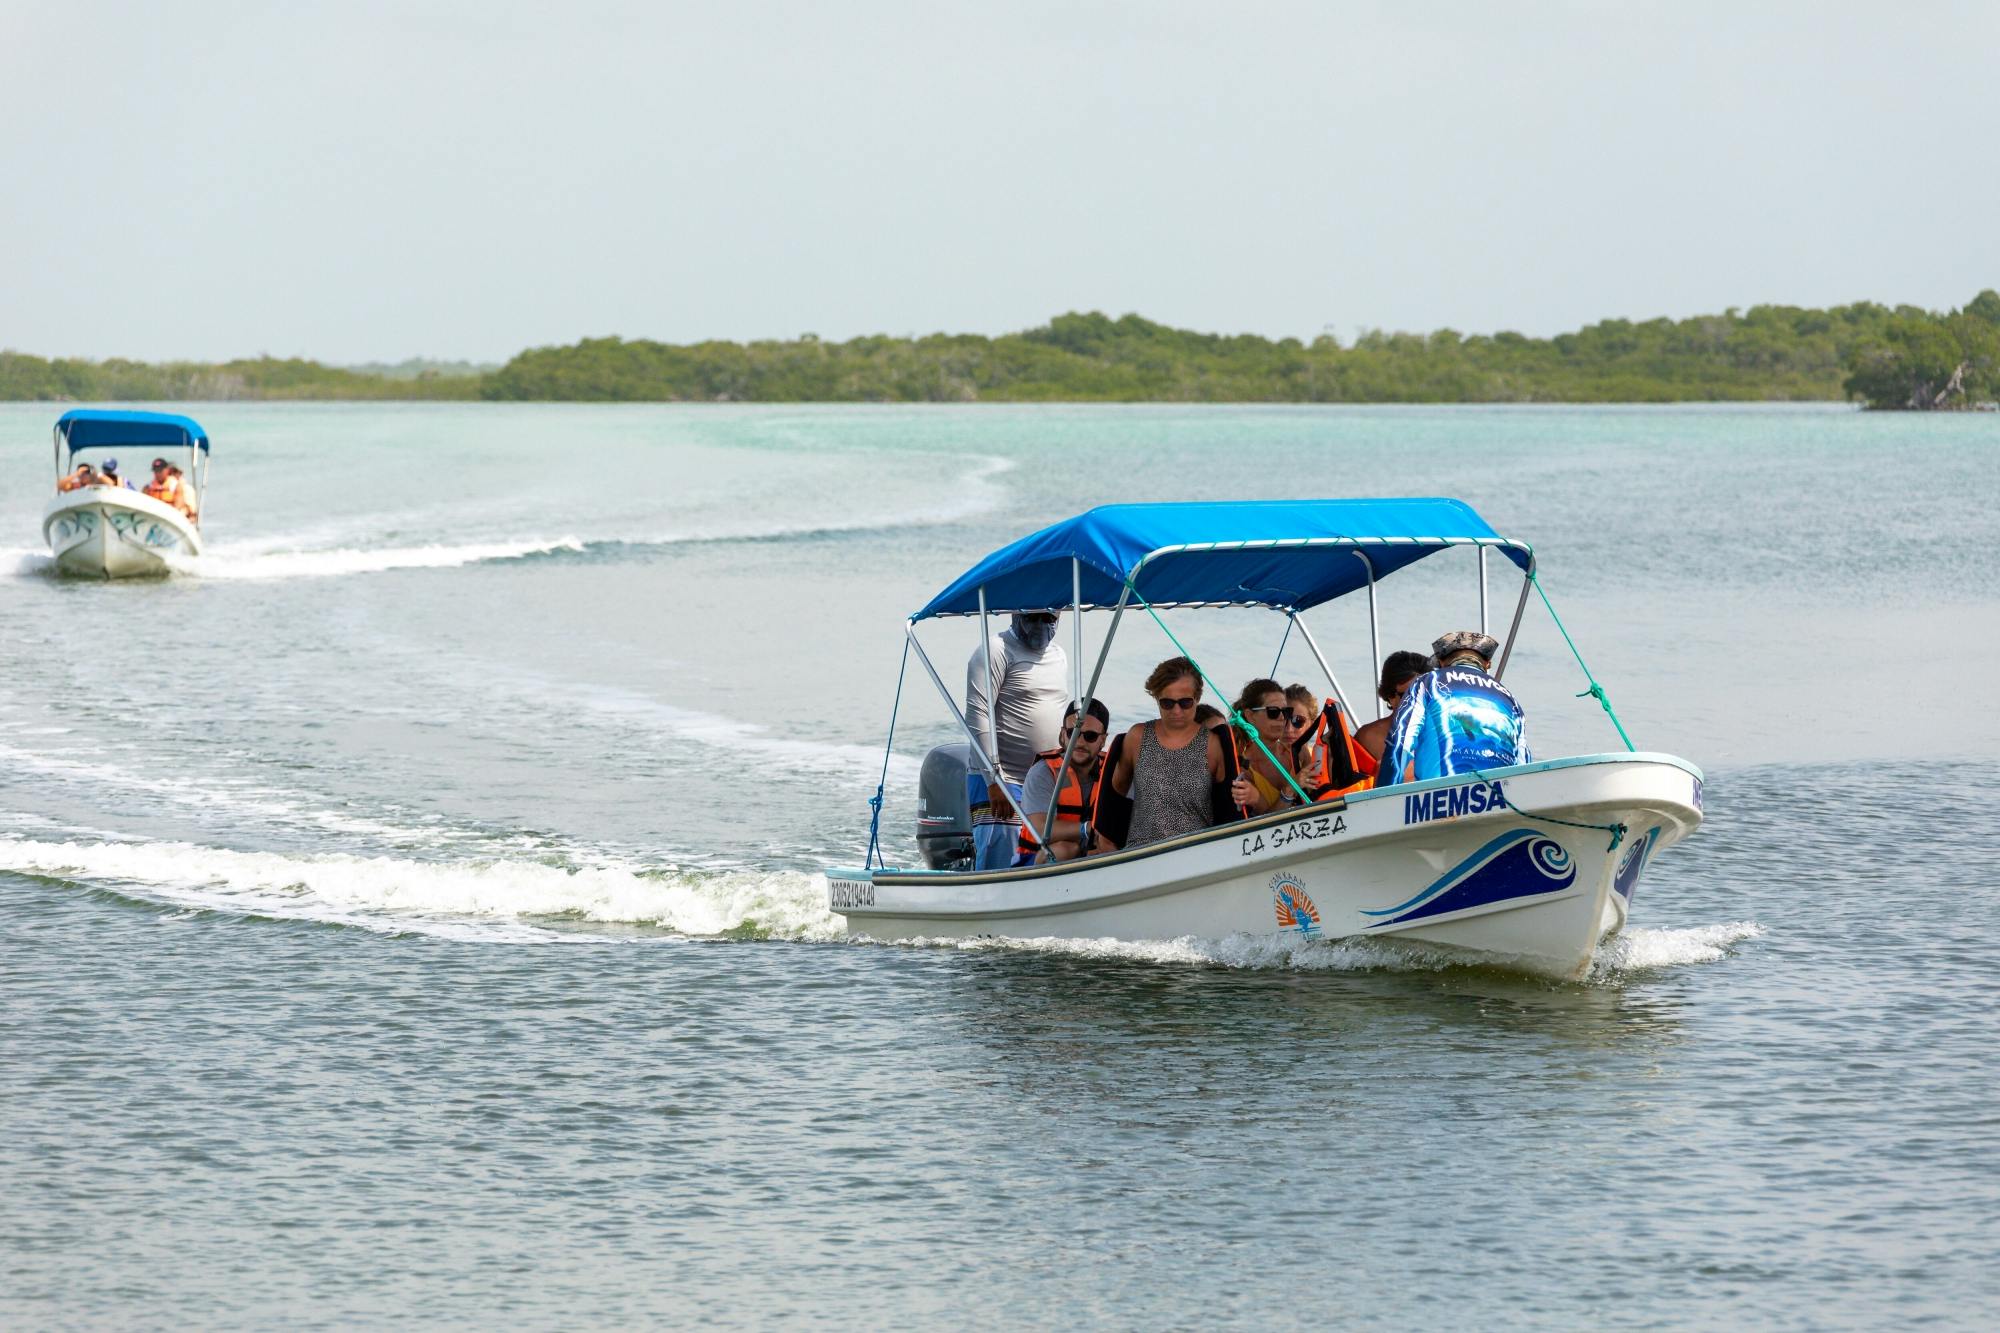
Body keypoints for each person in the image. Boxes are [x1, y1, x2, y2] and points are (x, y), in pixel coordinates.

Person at [964, 610, 1070, 868]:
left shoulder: (1059, 655)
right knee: (998, 867)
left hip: (1044, 782)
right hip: (1003, 780)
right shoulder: (996, 650)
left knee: (1037, 861)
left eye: (1048, 619)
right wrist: (993, 780)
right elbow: (977, 713)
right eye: (1032, 617)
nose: (1040, 625)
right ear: (1015, 614)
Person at [1381, 632, 1530, 785]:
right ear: (1487, 664)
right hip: (1499, 798)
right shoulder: (1511, 701)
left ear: (1441, 662)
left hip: (1438, 798)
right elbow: (1524, 766)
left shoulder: (1428, 682)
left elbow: (1400, 741)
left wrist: (1381, 795)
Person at [1110, 656, 1226, 847]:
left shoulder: (1212, 745)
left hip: (1196, 850)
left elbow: (1224, 806)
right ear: (1156, 698)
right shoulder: (1137, 737)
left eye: (1185, 702)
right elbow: (1117, 794)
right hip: (1141, 851)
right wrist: (1108, 840)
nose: (1177, 710)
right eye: (1167, 703)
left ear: (1197, 698)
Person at [1014, 698, 1118, 864]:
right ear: (1063, 734)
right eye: (1073, 733)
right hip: (1036, 859)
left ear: (1103, 740)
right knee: (1065, 850)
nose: (1080, 742)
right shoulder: (1043, 772)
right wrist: (1087, 829)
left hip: (1094, 852)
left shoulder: (1114, 771)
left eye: (1090, 736)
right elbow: (1040, 830)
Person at [1227, 678, 1307, 815]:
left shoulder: (1299, 752)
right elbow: (1268, 823)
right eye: (1273, 712)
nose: (1282, 718)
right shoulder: (1243, 768)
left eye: (1285, 711)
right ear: (1250, 716)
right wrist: (1289, 790)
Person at [1352, 651, 1433, 771]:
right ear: (1390, 696)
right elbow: (1352, 785)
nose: (1420, 702)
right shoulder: (1369, 738)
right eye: (1410, 696)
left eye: (1427, 694)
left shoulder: (1449, 732)